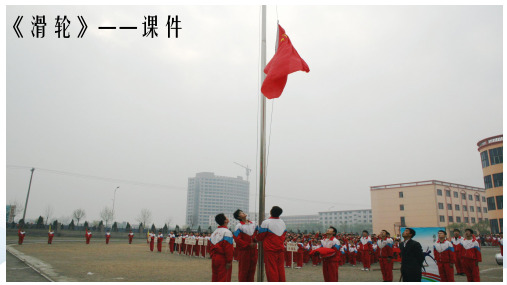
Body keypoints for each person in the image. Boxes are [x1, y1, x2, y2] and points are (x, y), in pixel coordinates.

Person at [256, 206, 287, 282]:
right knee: (281, 269)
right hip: (280, 249)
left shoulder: (266, 222)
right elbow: (284, 235)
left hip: (270, 250)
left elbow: (260, 236)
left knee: (271, 270)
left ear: (271, 212)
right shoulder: (282, 222)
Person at [232, 209, 258, 282]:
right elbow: (237, 239)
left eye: (242, 212)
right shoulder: (239, 226)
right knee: (244, 270)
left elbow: (258, 233)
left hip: (254, 250)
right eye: (240, 213)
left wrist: (256, 239)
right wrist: (248, 244)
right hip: (244, 251)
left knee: (252, 270)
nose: (243, 213)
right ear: (238, 217)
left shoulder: (254, 223)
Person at [210, 213, 234, 282]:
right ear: (225, 221)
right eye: (226, 217)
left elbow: (210, 246)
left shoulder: (214, 233)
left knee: (215, 278)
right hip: (223, 259)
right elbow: (228, 248)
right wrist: (229, 261)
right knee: (224, 278)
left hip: (214, 258)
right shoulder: (227, 232)